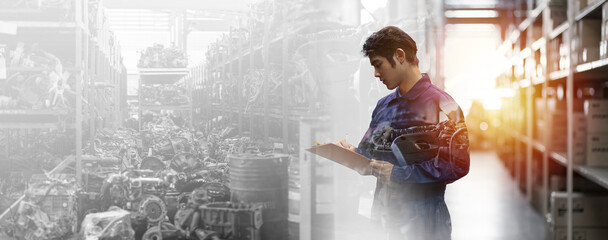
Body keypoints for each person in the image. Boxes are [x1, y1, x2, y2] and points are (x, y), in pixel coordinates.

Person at [336, 26, 470, 239]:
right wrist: (354, 155)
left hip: (425, 222)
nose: (375, 73)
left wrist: (397, 174)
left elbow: (457, 164)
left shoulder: (444, 106)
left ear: (399, 56)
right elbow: (371, 154)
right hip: (384, 218)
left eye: (378, 64)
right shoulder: (384, 106)